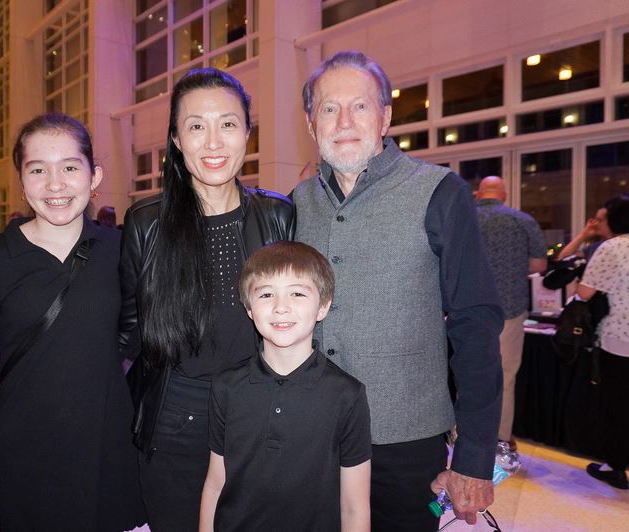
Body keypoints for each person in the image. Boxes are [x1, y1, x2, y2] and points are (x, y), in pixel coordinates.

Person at [290, 51, 503, 531]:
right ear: (310, 123)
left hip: (407, 446)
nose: (344, 122)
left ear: (385, 117)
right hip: (313, 436)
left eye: (360, 106)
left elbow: (475, 323)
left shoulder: (439, 191)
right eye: (329, 108)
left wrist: (474, 456)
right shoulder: (296, 204)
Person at [120, 68, 295, 531]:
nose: (213, 142)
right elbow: (128, 334)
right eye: (196, 126)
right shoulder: (147, 223)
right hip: (176, 422)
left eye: (228, 124)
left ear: (247, 134)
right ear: (176, 139)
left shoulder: (278, 216)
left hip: (261, 417)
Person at [0, 113, 145, 531]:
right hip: (21, 459)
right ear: (22, 182)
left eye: (70, 168)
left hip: (103, 454)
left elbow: (144, 340)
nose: (55, 184)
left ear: (94, 176)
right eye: (38, 170)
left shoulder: (122, 251)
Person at [199, 241, 372, 531]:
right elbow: (216, 483)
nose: (281, 307)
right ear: (249, 308)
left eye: (297, 293)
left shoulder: (347, 395)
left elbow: (354, 506)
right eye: (266, 294)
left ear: (323, 306)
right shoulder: (226, 386)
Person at [475, 176, 547, 454]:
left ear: (479, 194)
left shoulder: (463, 218)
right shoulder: (522, 220)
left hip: (468, 308)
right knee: (504, 376)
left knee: (469, 371)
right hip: (510, 308)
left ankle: (467, 433)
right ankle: (501, 438)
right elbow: (539, 265)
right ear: (504, 195)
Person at [576, 193, 629, 490]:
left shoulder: (612, 248)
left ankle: (616, 467)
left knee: (618, 405)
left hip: (621, 338)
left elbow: (585, 292)